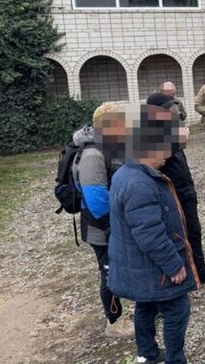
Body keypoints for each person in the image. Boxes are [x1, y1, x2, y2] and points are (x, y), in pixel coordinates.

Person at [108, 104, 199, 364]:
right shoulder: (139, 183)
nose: (168, 154)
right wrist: (174, 265)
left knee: (145, 304)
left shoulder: (127, 173)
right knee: (177, 310)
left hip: (138, 266)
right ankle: (175, 359)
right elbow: (150, 233)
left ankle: (146, 353)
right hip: (152, 268)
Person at [147, 93, 205, 283]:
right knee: (178, 233)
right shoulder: (150, 133)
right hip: (172, 193)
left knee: (194, 230)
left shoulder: (169, 128)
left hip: (186, 190)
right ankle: (182, 271)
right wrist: (177, 141)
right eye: (167, 109)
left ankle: (199, 269)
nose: (171, 111)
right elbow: (156, 160)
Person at [72, 102, 134, 339]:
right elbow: (96, 198)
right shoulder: (92, 154)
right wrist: (113, 226)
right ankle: (114, 322)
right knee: (109, 272)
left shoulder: (111, 145)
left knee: (123, 266)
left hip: (116, 222)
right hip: (102, 226)